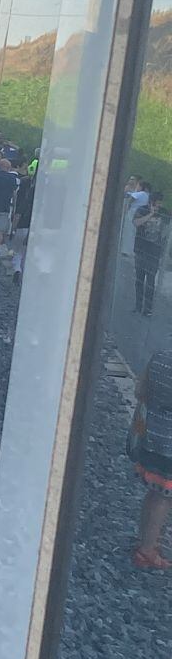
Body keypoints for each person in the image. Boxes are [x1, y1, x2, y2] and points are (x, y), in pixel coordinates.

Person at [131, 350, 172, 568]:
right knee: (164, 498)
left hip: (150, 437)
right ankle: (146, 552)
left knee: (153, 493)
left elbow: (140, 391)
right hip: (169, 448)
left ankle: (144, 541)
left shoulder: (160, 356)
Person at [134, 191, 168, 317]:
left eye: (160, 203)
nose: (159, 205)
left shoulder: (164, 212)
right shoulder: (142, 210)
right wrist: (151, 214)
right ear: (151, 202)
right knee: (139, 279)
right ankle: (138, 306)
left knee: (150, 281)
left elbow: (167, 228)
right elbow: (136, 223)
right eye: (157, 203)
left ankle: (147, 309)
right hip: (141, 249)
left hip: (154, 252)